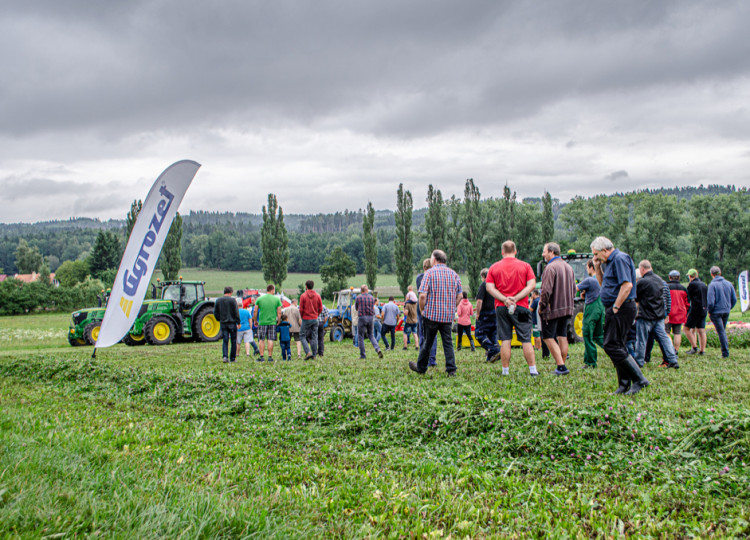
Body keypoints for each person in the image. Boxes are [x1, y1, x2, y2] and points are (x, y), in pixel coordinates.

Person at [591, 236, 650, 395]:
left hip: (621, 307)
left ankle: (639, 380)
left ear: (605, 250)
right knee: (619, 345)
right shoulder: (609, 262)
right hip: (616, 307)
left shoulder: (619, 259)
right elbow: (605, 285)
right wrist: (597, 268)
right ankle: (624, 384)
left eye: (596, 254)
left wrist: (616, 307)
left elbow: (627, 285)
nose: (595, 258)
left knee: (611, 345)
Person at [484, 241, 538, 376]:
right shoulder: (525, 266)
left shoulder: (494, 267)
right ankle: (533, 370)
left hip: (502, 308)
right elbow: (531, 285)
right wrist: (516, 298)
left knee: (505, 340)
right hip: (522, 307)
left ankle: (505, 371)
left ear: (502, 252)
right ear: (515, 251)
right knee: (526, 339)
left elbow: (489, 287)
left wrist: (504, 299)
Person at [408, 249, 462, 376]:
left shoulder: (429, 274)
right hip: (447, 316)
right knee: (447, 342)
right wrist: (452, 307)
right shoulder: (454, 274)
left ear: (434, 260)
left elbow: (422, 296)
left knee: (428, 342)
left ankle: (421, 367)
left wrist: (422, 311)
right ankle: (451, 369)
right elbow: (460, 295)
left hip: (431, 315)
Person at [538, 242, 576, 375]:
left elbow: (546, 291)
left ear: (551, 252)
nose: (543, 254)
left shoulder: (550, 267)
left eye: (544, 251)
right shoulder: (568, 267)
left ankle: (561, 366)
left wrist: (542, 306)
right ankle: (562, 363)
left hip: (553, 309)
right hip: (567, 308)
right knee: (562, 336)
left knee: (548, 337)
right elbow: (574, 290)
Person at [634, 260, 679, 369]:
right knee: (664, 338)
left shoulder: (642, 282)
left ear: (642, 269)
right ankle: (673, 360)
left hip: (645, 315)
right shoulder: (660, 280)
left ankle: (639, 362)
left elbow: (635, 297)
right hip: (659, 315)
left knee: (641, 340)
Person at [577, 259, 604, 368]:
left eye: (587, 267)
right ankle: (618, 357)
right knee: (599, 337)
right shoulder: (600, 280)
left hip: (591, 309)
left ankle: (590, 362)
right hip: (601, 308)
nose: (586, 269)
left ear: (591, 267)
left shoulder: (589, 280)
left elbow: (575, 288)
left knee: (587, 335)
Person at [707, 265, 737, 358]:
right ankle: (725, 350)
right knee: (722, 330)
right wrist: (729, 307)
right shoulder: (729, 284)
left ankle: (725, 353)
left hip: (716, 312)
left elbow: (711, 301)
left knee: (721, 332)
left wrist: (709, 311)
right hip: (726, 310)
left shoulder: (712, 285)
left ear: (712, 274)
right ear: (720, 273)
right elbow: (734, 299)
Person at [475, 268, 501, 362]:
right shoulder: (495, 285)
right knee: (492, 335)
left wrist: (477, 313)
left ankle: (494, 350)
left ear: (483, 276)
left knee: (479, 334)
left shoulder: (484, 285)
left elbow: (479, 301)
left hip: (485, 314)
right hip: (495, 313)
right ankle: (491, 357)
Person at [416, 258, 438, 367]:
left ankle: (422, 357)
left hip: (422, 307)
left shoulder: (419, 278)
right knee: (433, 335)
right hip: (433, 307)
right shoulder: (436, 276)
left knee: (422, 333)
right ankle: (432, 359)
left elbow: (421, 294)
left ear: (424, 267)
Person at [253, 284, 282, 362]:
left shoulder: (259, 299)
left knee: (261, 339)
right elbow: (279, 312)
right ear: (272, 290)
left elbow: (255, 311)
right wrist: (278, 320)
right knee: (270, 339)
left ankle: (261, 356)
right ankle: (270, 357)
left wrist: (255, 320)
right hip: (272, 322)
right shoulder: (277, 299)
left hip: (262, 322)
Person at [354, 285, 383, 360]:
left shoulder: (358, 298)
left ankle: (363, 355)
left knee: (360, 337)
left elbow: (356, 308)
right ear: (367, 290)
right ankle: (377, 349)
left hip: (362, 317)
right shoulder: (372, 298)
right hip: (370, 318)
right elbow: (373, 307)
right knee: (371, 335)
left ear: (361, 290)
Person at [684, 268, 708, 355]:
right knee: (701, 330)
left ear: (690, 276)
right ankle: (702, 350)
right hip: (704, 309)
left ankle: (694, 347)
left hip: (695, 310)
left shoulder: (692, 285)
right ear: (697, 275)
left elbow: (687, 297)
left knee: (686, 328)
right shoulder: (703, 284)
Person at [213, 286, 240, 363]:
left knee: (225, 340)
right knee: (233, 340)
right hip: (232, 323)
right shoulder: (233, 300)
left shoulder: (218, 300)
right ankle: (232, 358)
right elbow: (236, 312)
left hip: (223, 323)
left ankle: (225, 356)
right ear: (231, 292)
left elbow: (215, 312)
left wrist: (219, 319)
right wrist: (238, 322)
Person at [666, 270, 690, 355]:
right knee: (677, 332)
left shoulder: (666, 287)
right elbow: (687, 303)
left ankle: (669, 349)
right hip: (680, 313)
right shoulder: (683, 288)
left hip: (668, 313)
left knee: (666, 332)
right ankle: (676, 350)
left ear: (669, 277)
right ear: (679, 277)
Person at [299, 280, 323, 360]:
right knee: (314, 336)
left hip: (306, 318)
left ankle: (308, 352)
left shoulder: (303, 296)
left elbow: (301, 309)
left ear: (306, 286)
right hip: (315, 318)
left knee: (302, 335)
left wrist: (303, 316)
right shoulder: (317, 295)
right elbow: (321, 308)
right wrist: (317, 314)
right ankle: (314, 355)